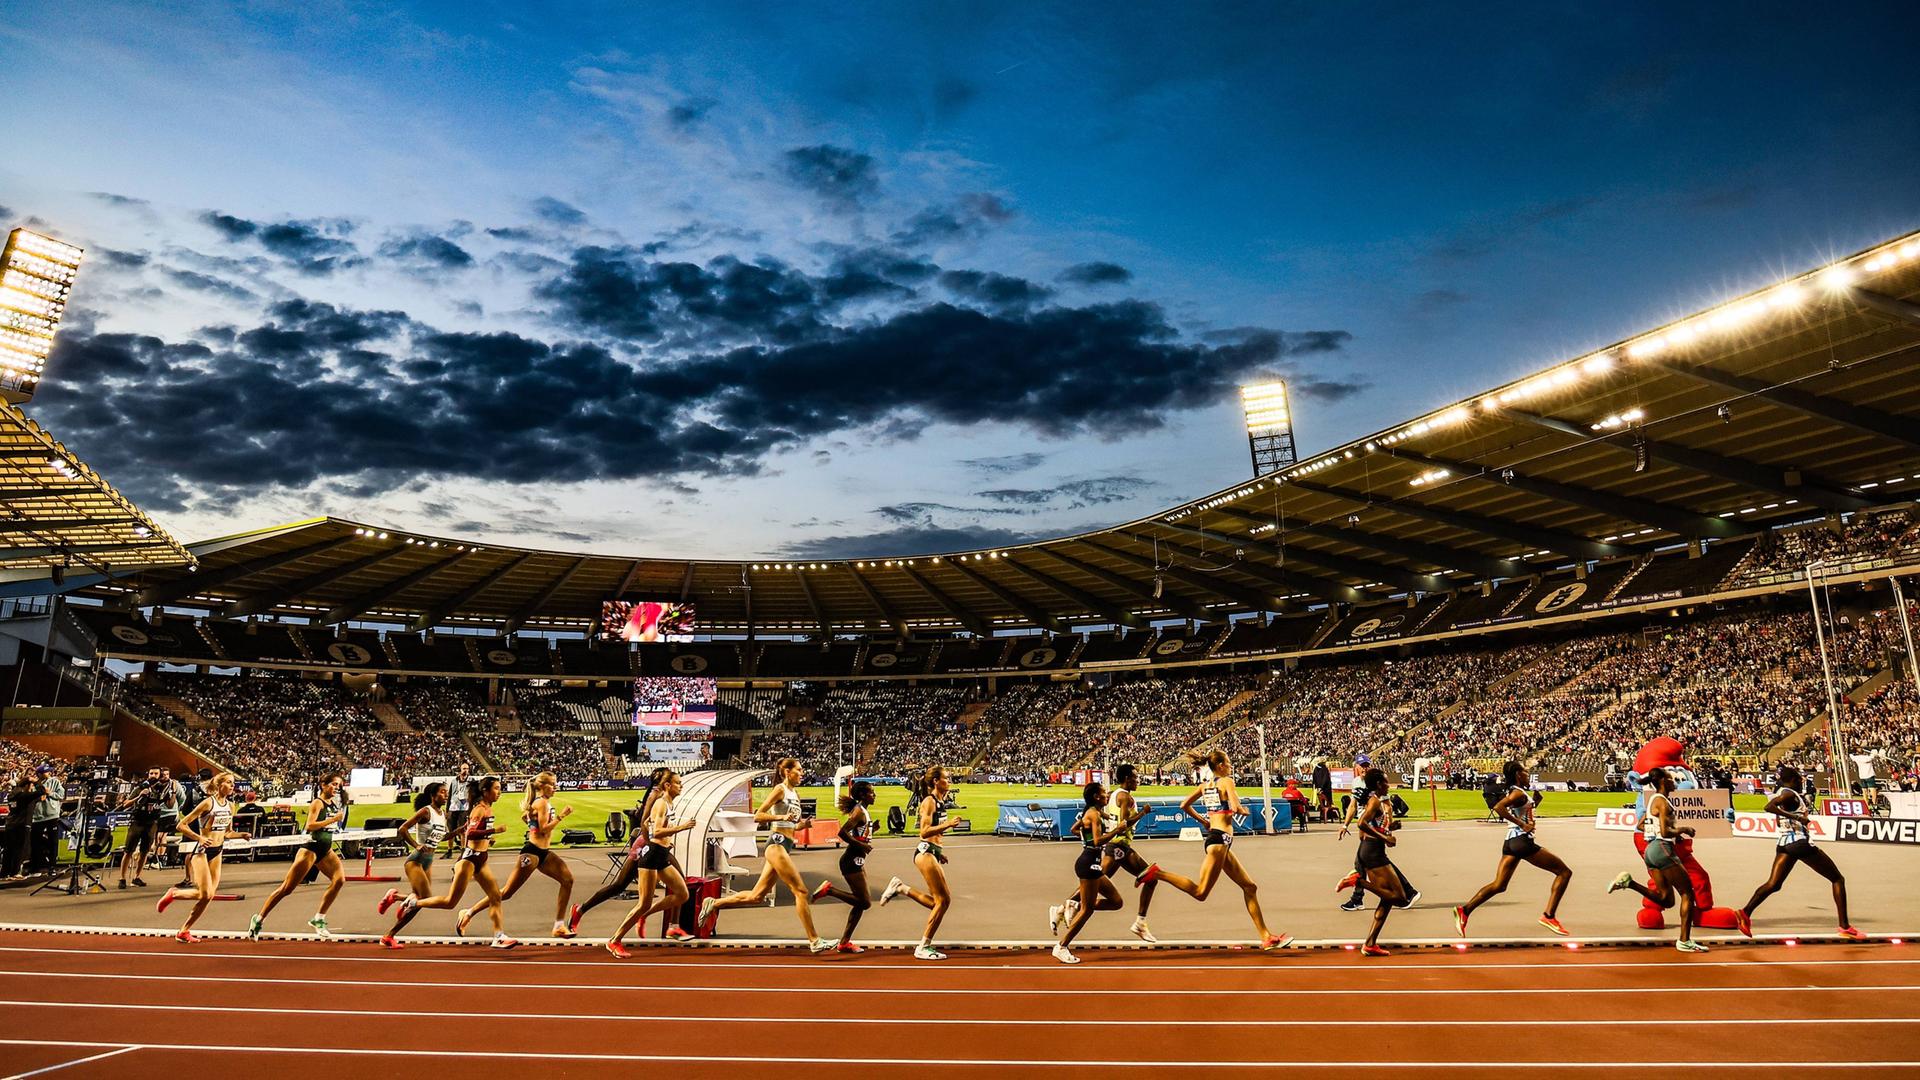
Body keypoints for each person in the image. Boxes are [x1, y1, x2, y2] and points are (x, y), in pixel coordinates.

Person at [1139, 750, 1293, 951]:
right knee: (1200, 892)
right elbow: (1237, 807)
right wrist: (1243, 810)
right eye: (1228, 763)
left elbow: (1184, 805)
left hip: (1220, 840)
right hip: (1219, 841)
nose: (1230, 766)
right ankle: (1157, 873)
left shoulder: (1205, 786)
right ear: (1220, 765)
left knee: (1250, 887)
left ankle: (1266, 936)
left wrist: (1205, 821)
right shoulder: (1226, 781)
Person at [700, 757, 835, 953]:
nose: (802, 773)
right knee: (801, 891)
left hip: (786, 844)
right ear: (787, 772)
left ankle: (713, 903)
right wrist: (781, 817)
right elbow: (758, 815)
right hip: (776, 845)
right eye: (799, 770)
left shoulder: (794, 793)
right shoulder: (780, 789)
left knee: (756, 896)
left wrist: (801, 825)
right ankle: (814, 940)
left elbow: (791, 824)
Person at [387, 776, 516, 949]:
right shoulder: (479, 810)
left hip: (481, 858)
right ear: (485, 791)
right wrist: (494, 830)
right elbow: (470, 834)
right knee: (450, 903)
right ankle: (412, 902)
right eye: (496, 788)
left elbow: (473, 832)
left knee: (495, 897)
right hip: (469, 860)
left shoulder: (487, 809)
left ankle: (498, 936)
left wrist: (487, 838)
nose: (499, 792)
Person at [1736, 765, 1864, 941]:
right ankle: (1845, 926)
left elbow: (1773, 806)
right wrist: (1798, 818)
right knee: (1837, 879)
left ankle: (1744, 913)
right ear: (1794, 780)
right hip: (1799, 843)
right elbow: (1768, 807)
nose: (1801, 783)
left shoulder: (1783, 791)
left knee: (1774, 884)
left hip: (1784, 844)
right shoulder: (1789, 793)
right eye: (1800, 780)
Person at [1453, 761, 1573, 938]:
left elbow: (1519, 811)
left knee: (1499, 885)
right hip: (1521, 842)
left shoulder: (1519, 792)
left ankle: (1465, 911)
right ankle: (1549, 916)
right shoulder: (1517, 792)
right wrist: (1522, 824)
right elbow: (1499, 807)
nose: (1528, 773)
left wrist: (1535, 803)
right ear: (1518, 774)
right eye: (1525, 771)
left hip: (1510, 843)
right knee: (1564, 872)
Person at [458, 770, 576, 939]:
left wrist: (531, 823)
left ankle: (558, 925)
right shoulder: (541, 803)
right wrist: (562, 816)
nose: (555, 787)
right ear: (542, 786)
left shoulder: (542, 803)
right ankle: (468, 913)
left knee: (567, 880)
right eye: (552, 784)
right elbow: (543, 830)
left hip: (544, 853)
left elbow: (527, 819)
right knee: (505, 893)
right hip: (532, 853)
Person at [1050, 763, 1158, 943]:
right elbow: (1124, 824)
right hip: (1118, 847)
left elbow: (1112, 819)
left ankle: (1064, 908)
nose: (1138, 780)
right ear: (1126, 779)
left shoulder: (1115, 794)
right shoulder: (1125, 797)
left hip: (1118, 846)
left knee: (1097, 884)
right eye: (1135, 777)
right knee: (1148, 878)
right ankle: (1139, 922)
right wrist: (1143, 814)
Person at [1608, 767, 1705, 953]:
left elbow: (1640, 824)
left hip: (1651, 850)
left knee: (1666, 899)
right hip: (1662, 848)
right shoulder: (1662, 802)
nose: (1674, 782)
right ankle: (1685, 940)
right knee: (1688, 893)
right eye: (1670, 779)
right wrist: (1683, 830)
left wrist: (1656, 833)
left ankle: (1629, 883)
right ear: (1662, 781)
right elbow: (1666, 831)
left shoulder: (1652, 800)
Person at [878, 765, 967, 961]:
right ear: (936, 781)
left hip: (932, 852)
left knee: (938, 903)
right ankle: (923, 947)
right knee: (944, 901)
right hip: (925, 852)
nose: (949, 781)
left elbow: (934, 835)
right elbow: (924, 832)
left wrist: (939, 852)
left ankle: (901, 887)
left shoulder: (941, 802)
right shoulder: (929, 801)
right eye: (946, 778)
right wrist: (948, 824)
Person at [605, 769, 698, 957]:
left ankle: (654, 920)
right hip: (652, 855)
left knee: (682, 894)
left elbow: (649, 823)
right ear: (667, 786)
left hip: (661, 854)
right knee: (643, 903)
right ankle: (615, 940)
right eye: (678, 783)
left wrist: (651, 828)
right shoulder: (661, 804)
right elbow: (656, 832)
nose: (682, 786)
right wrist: (682, 827)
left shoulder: (669, 804)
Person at [567, 771, 671, 934]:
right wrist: (651, 844)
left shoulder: (661, 796)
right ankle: (666, 923)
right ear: (664, 781)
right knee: (620, 885)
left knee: (621, 885)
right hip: (648, 845)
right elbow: (644, 823)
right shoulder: (655, 795)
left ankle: (671, 925)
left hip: (653, 845)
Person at [249, 772, 349, 939]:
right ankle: (258, 919)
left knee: (339, 880)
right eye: (333, 784)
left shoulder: (334, 804)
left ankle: (319, 918)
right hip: (310, 849)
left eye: (338, 785)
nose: (336, 788)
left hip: (325, 850)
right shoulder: (318, 803)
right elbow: (310, 825)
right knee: (286, 889)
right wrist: (332, 821)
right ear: (323, 785)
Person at [157, 771, 250, 943]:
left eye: (233, 783)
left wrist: (242, 835)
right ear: (219, 784)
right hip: (201, 852)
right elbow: (181, 825)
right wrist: (199, 837)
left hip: (217, 851)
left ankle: (184, 931)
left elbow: (227, 832)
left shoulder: (231, 806)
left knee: (208, 896)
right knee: (206, 893)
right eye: (229, 782)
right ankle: (174, 894)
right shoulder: (208, 803)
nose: (232, 786)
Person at [1050, 781, 1127, 964]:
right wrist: (1117, 830)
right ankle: (1061, 946)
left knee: (1116, 902)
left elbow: (1074, 829)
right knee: (1088, 910)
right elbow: (1097, 842)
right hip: (1088, 862)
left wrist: (1086, 835)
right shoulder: (1093, 814)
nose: (1107, 794)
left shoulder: (1094, 812)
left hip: (1094, 863)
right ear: (1096, 797)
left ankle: (1074, 905)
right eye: (1103, 792)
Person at [1339, 754, 1419, 912]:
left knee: (1364, 864)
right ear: (1356, 766)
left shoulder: (1377, 784)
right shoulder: (1357, 783)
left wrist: (1387, 828)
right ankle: (1408, 892)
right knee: (1374, 863)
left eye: (1367, 764)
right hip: (1368, 830)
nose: (1364, 767)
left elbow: (1387, 807)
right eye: (1362, 765)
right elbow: (1353, 806)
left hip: (1373, 830)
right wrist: (1345, 825)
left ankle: (1359, 898)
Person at [1342, 767, 1406, 957]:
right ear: (1378, 784)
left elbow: (1375, 825)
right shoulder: (1375, 801)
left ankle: (1370, 943)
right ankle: (1358, 882)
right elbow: (1361, 823)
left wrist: (1391, 828)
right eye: (1386, 782)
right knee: (1400, 897)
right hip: (1373, 852)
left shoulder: (1376, 800)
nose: (1388, 785)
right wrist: (1386, 839)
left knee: (1387, 899)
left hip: (1372, 850)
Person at [809, 780, 878, 954]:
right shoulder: (858, 813)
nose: (874, 795)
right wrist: (861, 846)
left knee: (860, 903)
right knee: (865, 902)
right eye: (871, 792)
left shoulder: (863, 812)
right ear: (862, 795)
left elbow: (860, 834)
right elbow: (842, 833)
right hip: (851, 859)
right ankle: (829, 890)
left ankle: (844, 942)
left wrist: (873, 830)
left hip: (857, 859)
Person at [378, 782, 449, 931]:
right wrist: (416, 844)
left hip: (428, 861)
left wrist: (462, 830)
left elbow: (442, 837)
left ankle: (395, 897)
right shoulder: (425, 812)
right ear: (433, 795)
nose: (446, 795)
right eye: (442, 792)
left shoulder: (443, 814)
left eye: (446, 792)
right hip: (416, 860)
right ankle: (390, 935)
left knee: (420, 898)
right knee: (425, 899)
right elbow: (403, 828)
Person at [118, 768, 163, 890]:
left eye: (156, 773)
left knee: (144, 851)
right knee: (129, 850)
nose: (153, 775)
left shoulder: (162, 789)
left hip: (151, 822)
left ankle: (137, 877)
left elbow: (169, 803)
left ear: (160, 775)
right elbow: (125, 804)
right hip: (137, 821)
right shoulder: (139, 788)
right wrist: (139, 796)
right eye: (151, 773)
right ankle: (122, 878)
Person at [28, 765, 64, 873]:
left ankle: (52, 866)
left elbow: (61, 795)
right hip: (37, 817)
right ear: (39, 774)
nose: (49, 773)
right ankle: (35, 867)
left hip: (52, 815)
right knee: (35, 842)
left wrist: (50, 793)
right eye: (46, 772)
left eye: (49, 771)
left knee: (53, 841)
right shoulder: (34, 784)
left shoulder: (54, 782)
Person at [445, 764, 472, 855]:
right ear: (460, 770)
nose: (466, 770)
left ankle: (463, 850)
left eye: (467, 769)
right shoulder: (453, 781)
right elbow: (449, 796)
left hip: (464, 808)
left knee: (463, 830)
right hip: (453, 808)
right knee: (451, 831)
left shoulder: (471, 781)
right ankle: (449, 851)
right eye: (464, 768)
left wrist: (471, 810)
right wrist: (447, 810)